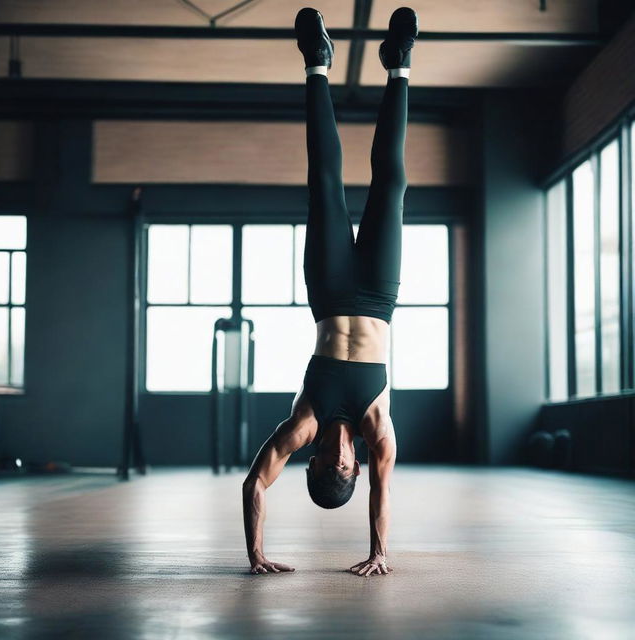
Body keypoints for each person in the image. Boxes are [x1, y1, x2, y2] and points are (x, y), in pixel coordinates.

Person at [242, 6, 417, 577]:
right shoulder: (378, 432)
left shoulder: (304, 423)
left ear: (313, 461)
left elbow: (256, 480)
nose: (338, 455)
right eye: (345, 465)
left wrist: (256, 553)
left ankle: (316, 64)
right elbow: (382, 498)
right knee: (390, 185)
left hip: (329, 288)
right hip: (378, 297)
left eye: (325, 463)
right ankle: (399, 67)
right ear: (356, 468)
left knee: (324, 182)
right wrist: (379, 552)